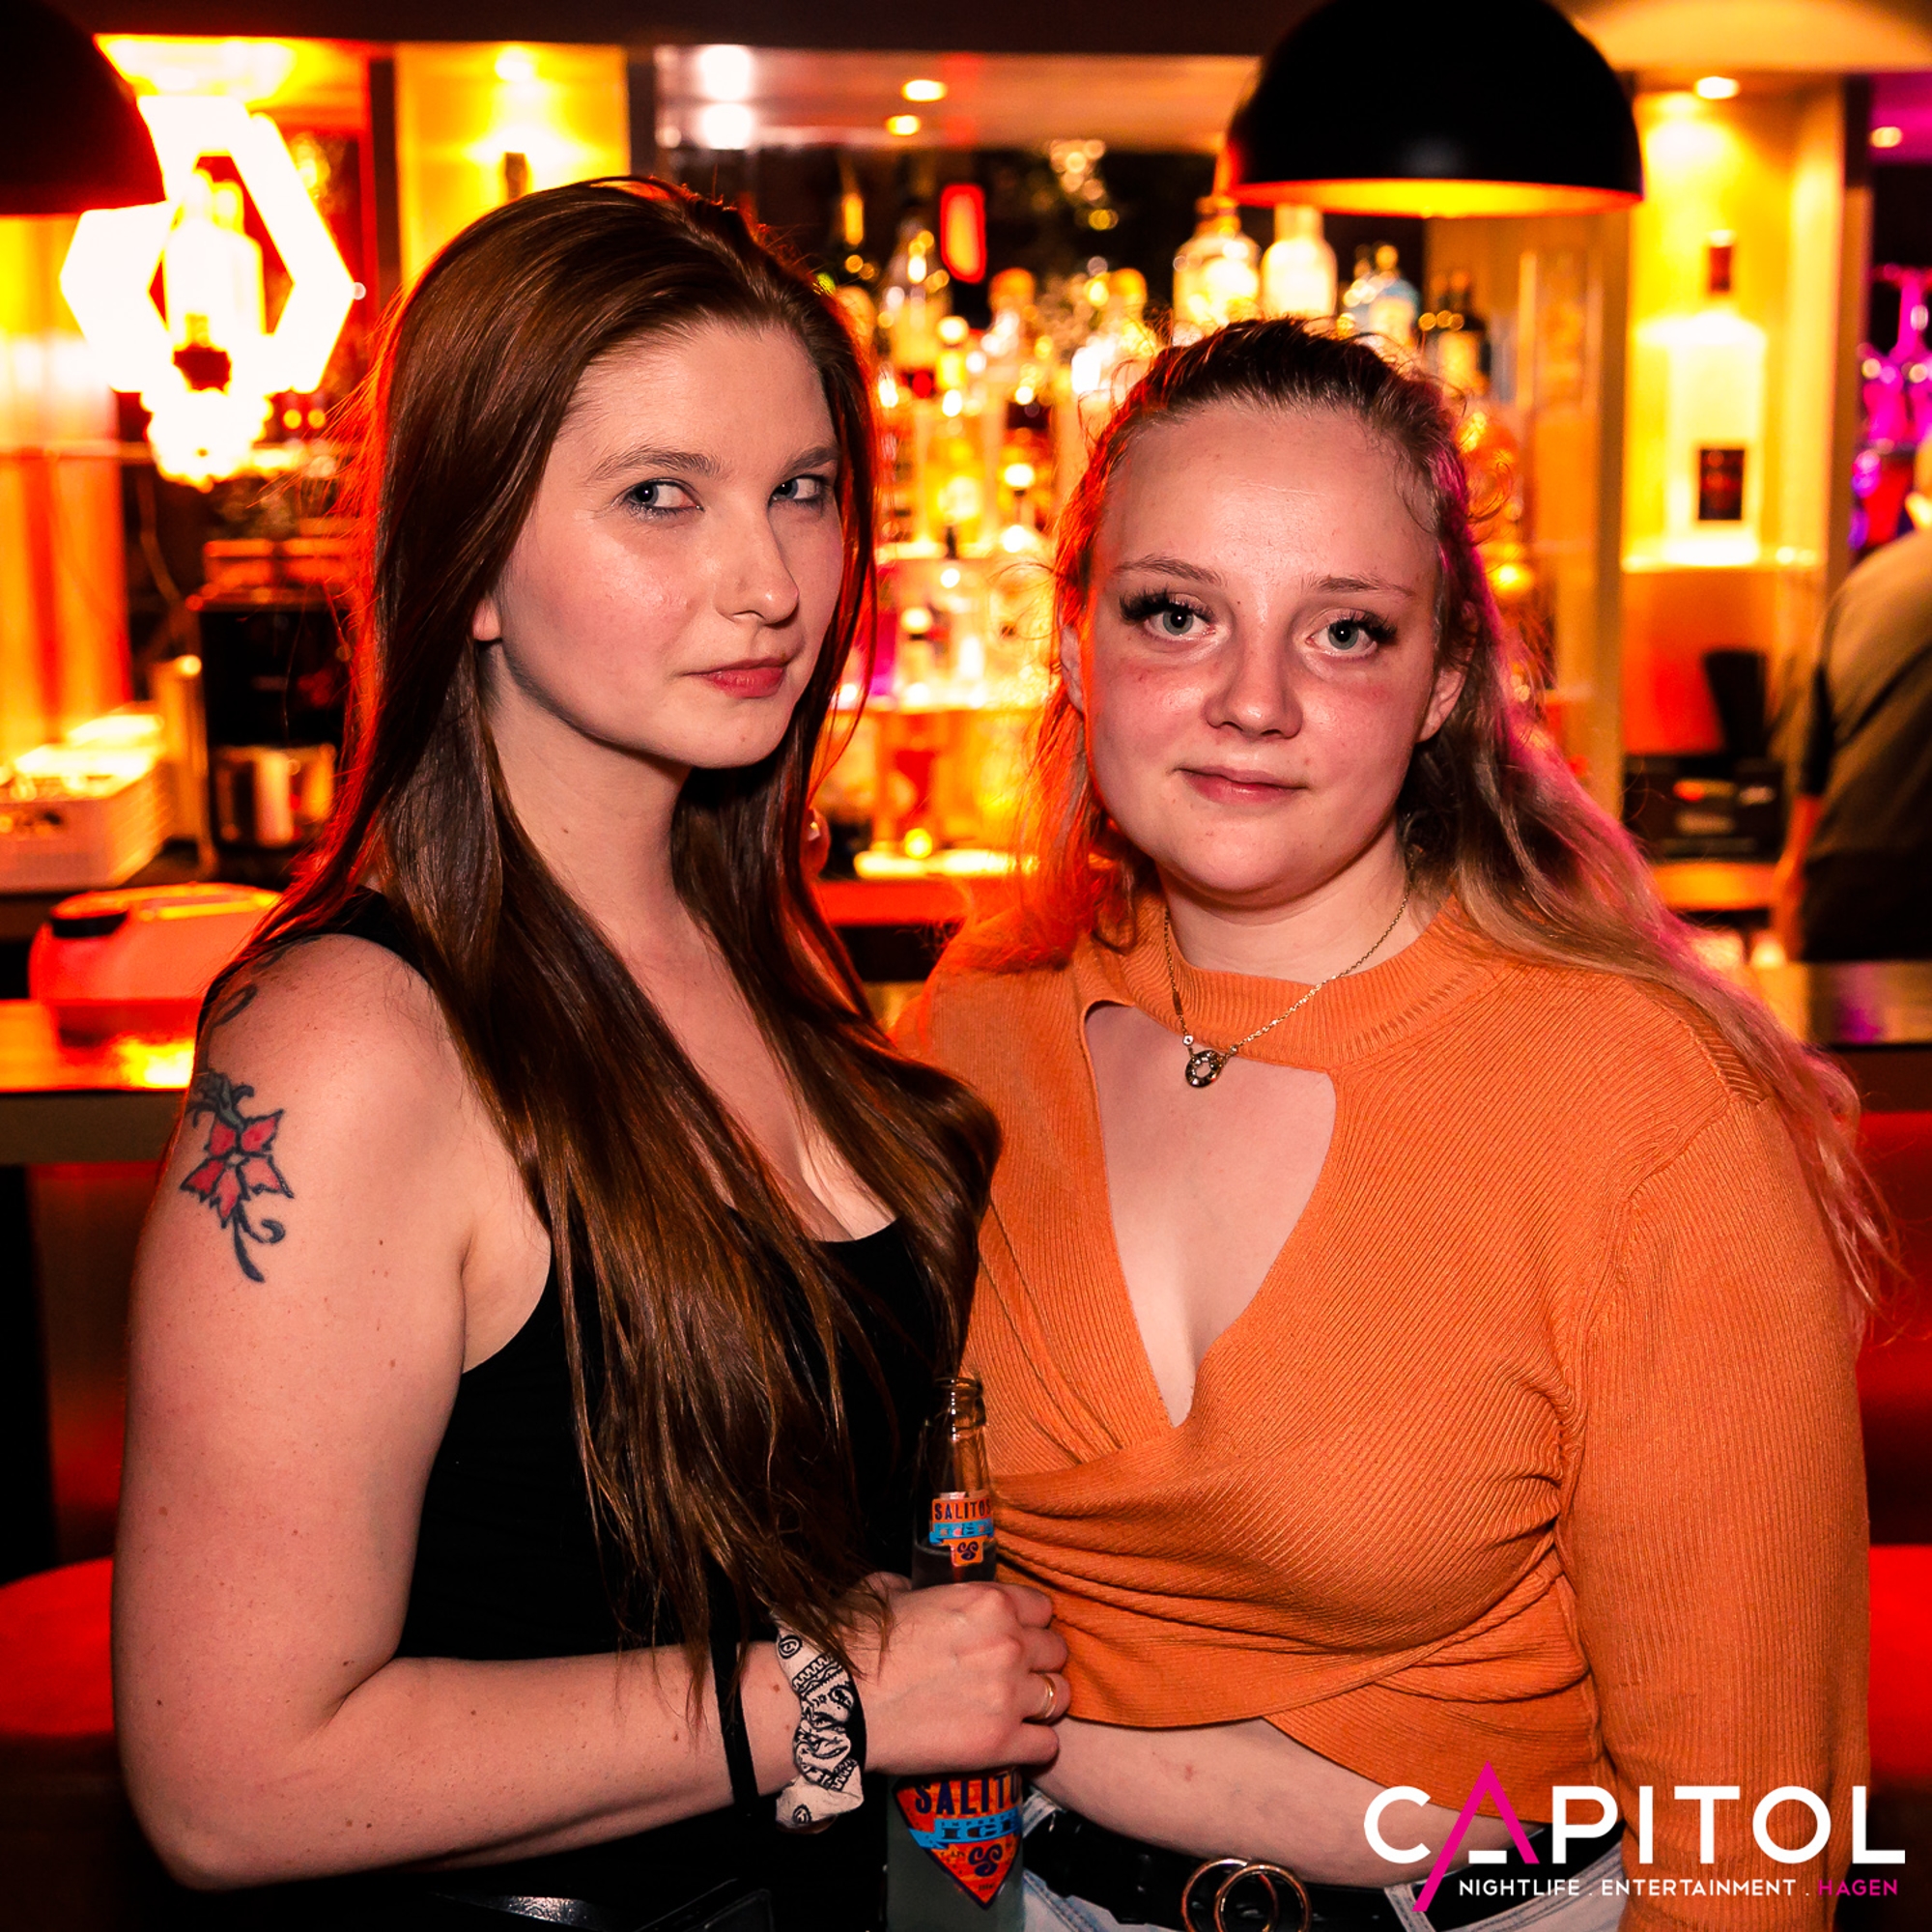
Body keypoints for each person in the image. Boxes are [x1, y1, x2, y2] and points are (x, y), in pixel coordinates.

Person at [115, 181, 1068, 1932]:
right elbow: (227, 1784)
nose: (770, 584)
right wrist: (829, 1695)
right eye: (659, 498)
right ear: (471, 561)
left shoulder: (753, 941)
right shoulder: (351, 1041)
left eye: (801, 490)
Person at [899, 319, 1875, 1932]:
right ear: (1074, 646)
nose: (1252, 701)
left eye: (1345, 631)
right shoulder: (973, 1032)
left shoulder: (1641, 1104)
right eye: (1175, 613)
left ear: (1445, 684)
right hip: (1025, 1898)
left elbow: (1750, 1829)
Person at [1773, 497, 1932, 961]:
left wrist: (1792, 884)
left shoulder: (1863, 586)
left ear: (1919, 506)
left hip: (1848, 893)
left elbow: (1814, 767)